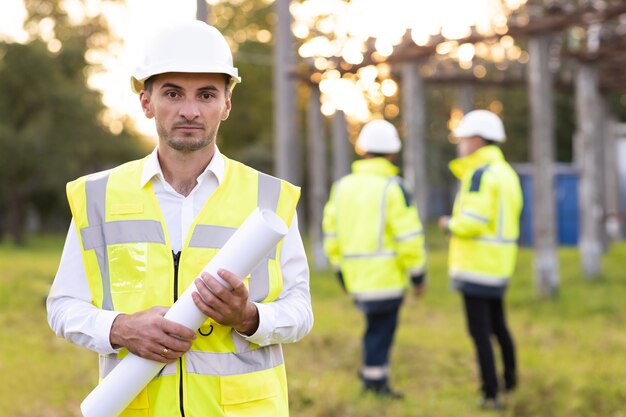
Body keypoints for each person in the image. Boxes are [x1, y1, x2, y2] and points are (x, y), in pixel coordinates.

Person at [47, 20, 313, 417]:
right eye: (173, 93)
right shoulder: (98, 196)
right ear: (146, 102)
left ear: (226, 103)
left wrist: (249, 316)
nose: (190, 110)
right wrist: (120, 327)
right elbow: (63, 306)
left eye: (206, 94)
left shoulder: (269, 199)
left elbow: (300, 310)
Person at [322, 119, 427, 398]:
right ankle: (376, 383)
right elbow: (408, 237)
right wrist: (418, 275)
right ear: (392, 153)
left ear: (362, 149)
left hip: (355, 278)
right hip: (386, 278)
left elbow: (331, 235)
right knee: (381, 331)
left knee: (373, 329)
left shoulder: (342, 187)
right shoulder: (394, 187)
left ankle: (371, 375)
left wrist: (340, 273)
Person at [438, 110, 522, 409]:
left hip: (477, 266)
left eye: (462, 139)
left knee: (480, 334)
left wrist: (449, 224)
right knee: (499, 326)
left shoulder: (479, 173)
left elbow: (473, 220)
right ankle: (510, 381)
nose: (460, 145)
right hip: (499, 264)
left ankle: (491, 395)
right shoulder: (506, 172)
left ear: (476, 140)